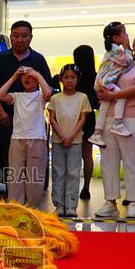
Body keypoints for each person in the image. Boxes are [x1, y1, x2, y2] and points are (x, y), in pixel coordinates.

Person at [93, 25, 135, 219]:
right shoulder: (119, 56)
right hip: (109, 117)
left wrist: (110, 94)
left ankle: (133, 201)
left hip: (132, 117)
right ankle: (110, 202)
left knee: (133, 162)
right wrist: (101, 90)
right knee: (108, 162)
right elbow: (103, 76)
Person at [0, 20, 53, 173]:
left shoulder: (38, 59)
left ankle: (32, 191)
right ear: (10, 37)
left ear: (31, 37)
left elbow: (48, 89)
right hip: (6, 117)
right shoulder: (0, 59)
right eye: (15, 36)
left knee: (33, 161)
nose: (19, 39)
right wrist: (0, 112)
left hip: (32, 121)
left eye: (24, 36)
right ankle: (11, 192)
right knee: (8, 156)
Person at [0, 65, 53, 208]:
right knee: (15, 175)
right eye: (24, 76)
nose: (27, 78)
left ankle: (32, 207)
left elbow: (48, 94)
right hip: (17, 139)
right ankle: (15, 207)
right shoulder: (17, 96)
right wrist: (14, 76)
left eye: (31, 76)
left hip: (37, 139)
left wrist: (38, 75)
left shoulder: (40, 96)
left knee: (34, 176)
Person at [47, 64, 91, 218]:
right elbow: (52, 119)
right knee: (58, 172)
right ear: (61, 79)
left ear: (78, 79)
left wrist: (71, 136)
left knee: (73, 173)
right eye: (66, 77)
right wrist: (61, 135)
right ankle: (59, 205)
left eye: (73, 78)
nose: (69, 81)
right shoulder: (55, 98)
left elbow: (82, 119)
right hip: (58, 141)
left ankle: (71, 205)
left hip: (76, 141)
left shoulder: (82, 97)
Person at [87, 21, 133, 146]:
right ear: (116, 38)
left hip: (102, 82)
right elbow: (128, 62)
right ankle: (118, 123)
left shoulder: (112, 49)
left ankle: (97, 133)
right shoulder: (115, 49)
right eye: (124, 33)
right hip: (106, 82)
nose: (127, 35)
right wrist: (127, 48)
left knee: (104, 107)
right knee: (121, 96)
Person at [72, 44, 100, 200]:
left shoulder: (75, 77)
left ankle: (72, 186)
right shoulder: (97, 77)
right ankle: (86, 187)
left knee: (73, 156)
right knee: (87, 155)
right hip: (89, 119)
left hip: (72, 119)